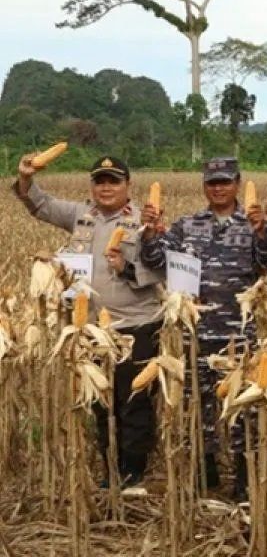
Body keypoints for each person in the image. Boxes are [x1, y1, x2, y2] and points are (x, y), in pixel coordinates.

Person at [13, 154, 163, 487]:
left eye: (113, 181)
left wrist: (125, 268)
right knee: (101, 402)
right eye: (100, 181)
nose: (106, 187)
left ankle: (132, 473)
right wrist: (25, 178)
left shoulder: (144, 222)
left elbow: (161, 269)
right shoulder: (82, 216)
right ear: (92, 185)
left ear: (128, 185)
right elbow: (41, 205)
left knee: (134, 403)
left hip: (135, 325)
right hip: (91, 328)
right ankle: (110, 469)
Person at [140, 156, 267, 498]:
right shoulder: (187, 226)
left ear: (237, 183)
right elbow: (156, 260)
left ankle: (246, 482)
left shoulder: (254, 224)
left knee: (241, 408)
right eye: (212, 182)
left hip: (238, 335)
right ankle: (207, 476)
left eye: (225, 182)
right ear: (204, 185)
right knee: (198, 408)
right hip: (195, 335)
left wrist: (263, 231)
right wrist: (148, 232)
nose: (219, 188)